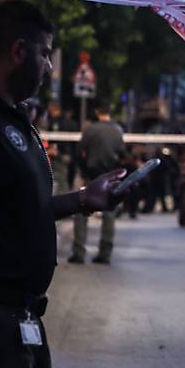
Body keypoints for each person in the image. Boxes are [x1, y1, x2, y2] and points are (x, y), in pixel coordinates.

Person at [0, 0, 126, 368]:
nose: (50, 67)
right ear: (18, 52)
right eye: (45, 54)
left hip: (22, 321)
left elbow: (22, 211)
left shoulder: (13, 119)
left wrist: (84, 199)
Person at [70, 104, 125, 265]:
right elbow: (122, 153)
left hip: (91, 175)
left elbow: (79, 151)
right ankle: (105, 253)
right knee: (109, 213)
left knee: (81, 210)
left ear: (97, 112)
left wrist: (83, 169)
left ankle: (79, 252)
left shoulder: (91, 129)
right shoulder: (117, 130)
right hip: (110, 176)